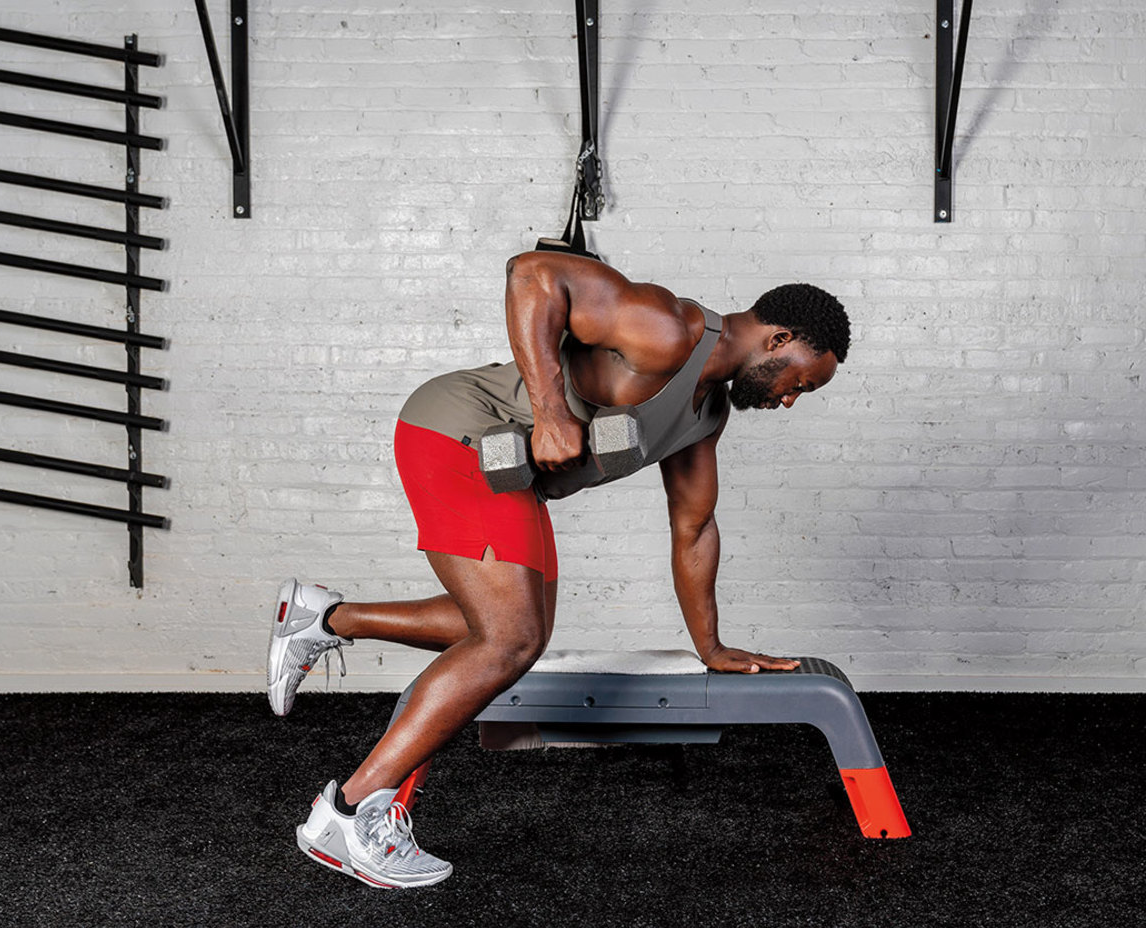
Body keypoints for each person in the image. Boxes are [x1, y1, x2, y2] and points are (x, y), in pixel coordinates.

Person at [266, 251, 851, 889]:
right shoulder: (669, 329)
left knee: (515, 631)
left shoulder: (707, 414)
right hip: (456, 432)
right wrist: (549, 410)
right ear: (780, 338)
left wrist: (710, 646)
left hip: (502, 475)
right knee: (509, 638)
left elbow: (694, 527)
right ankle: (348, 813)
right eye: (801, 381)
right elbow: (533, 273)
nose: (791, 399)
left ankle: (321, 618)